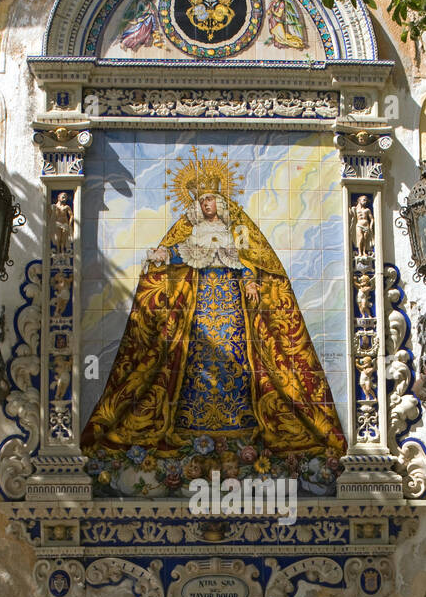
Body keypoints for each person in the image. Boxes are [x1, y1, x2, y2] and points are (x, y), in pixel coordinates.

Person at [78, 149, 346, 482]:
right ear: (196, 204)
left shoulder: (238, 233)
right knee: (197, 364)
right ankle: (193, 432)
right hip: (201, 305)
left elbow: (251, 260)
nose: (207, 205)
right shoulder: (190, 234)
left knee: (237, 362)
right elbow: (180, 254)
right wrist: (163, 254)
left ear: (220, 202)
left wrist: (249, 282)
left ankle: (242, 430)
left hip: (232, 307)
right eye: (202, 200)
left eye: (211, 200)